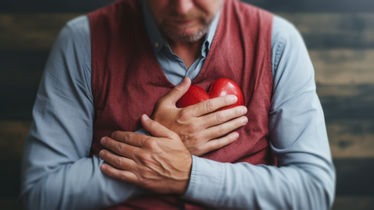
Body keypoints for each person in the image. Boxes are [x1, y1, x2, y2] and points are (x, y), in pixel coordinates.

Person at [20, 0, 336, 209]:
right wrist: (152, 145)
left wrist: (187, 174)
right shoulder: (82, 41)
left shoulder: (277, 42)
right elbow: (40, 194)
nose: (183, 8)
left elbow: (313, 191)